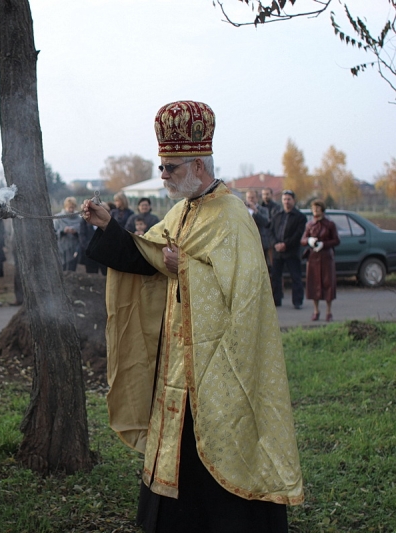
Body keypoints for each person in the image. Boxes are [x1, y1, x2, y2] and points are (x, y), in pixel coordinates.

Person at [82, 101, 303, 533]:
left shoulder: (233, 217)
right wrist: (109, 226)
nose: (162, 175)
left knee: (218, 473)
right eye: (161, 167)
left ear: (198, 164)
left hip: (221, 368)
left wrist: (183, 267)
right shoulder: (180, 211)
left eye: (169, 167)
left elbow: (245, 297)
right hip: (176, 367)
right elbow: (148, 256)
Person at [301, 199, 340, 322]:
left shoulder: (330, 224)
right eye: (313, 209)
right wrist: (309, 241)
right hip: (313, 258)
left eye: (317, 209)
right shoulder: (309, 225)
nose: (315, 211)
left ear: (322, 210)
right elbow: (302, 240)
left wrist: (324, 244)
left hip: (326, 257)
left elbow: (336, 240)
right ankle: (316, 310)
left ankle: (329, 311)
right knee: (313, 284)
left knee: (328, 283)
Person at [270, 190, 307, 309]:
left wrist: (285, 244)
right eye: (284, 199)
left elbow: (298, 234)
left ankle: (297, 301)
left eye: (289, 199)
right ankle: (276, 300)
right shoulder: (277, 215)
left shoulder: (300, 217)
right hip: (277, 252)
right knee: (275, 277)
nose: (286, 202)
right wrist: (275, 244)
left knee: (295, 277)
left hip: (291, 251)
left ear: (294, 201)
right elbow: (271, 232)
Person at [53, 197, 81, 271]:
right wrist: (62, 231)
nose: (71, 210)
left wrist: (75, 232)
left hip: (74, 248)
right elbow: (53, 234)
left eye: (73, 207)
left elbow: (83, 234)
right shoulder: (58, 218)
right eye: (69, 207)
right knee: (62, 269)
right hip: (61, 248)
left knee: (72, 270)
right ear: (65, 207)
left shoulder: (79, 219)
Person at [245, 189, 271, 256]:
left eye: (252, 197)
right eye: (248, 198)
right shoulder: (243, 210)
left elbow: (265, 222)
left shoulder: (263, 210)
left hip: (260, 242)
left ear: (257, 198)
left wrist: (255, 211)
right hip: (246, 242)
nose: (250, 199)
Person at [260, 187, 282, 267]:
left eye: (267, 194)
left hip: (272, 239)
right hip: (262, 239)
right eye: (263, 194)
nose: (265, 196)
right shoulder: (260, 207)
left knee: (274, 264)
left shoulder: (276, 207)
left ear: (271, 195)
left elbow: (274, 222)